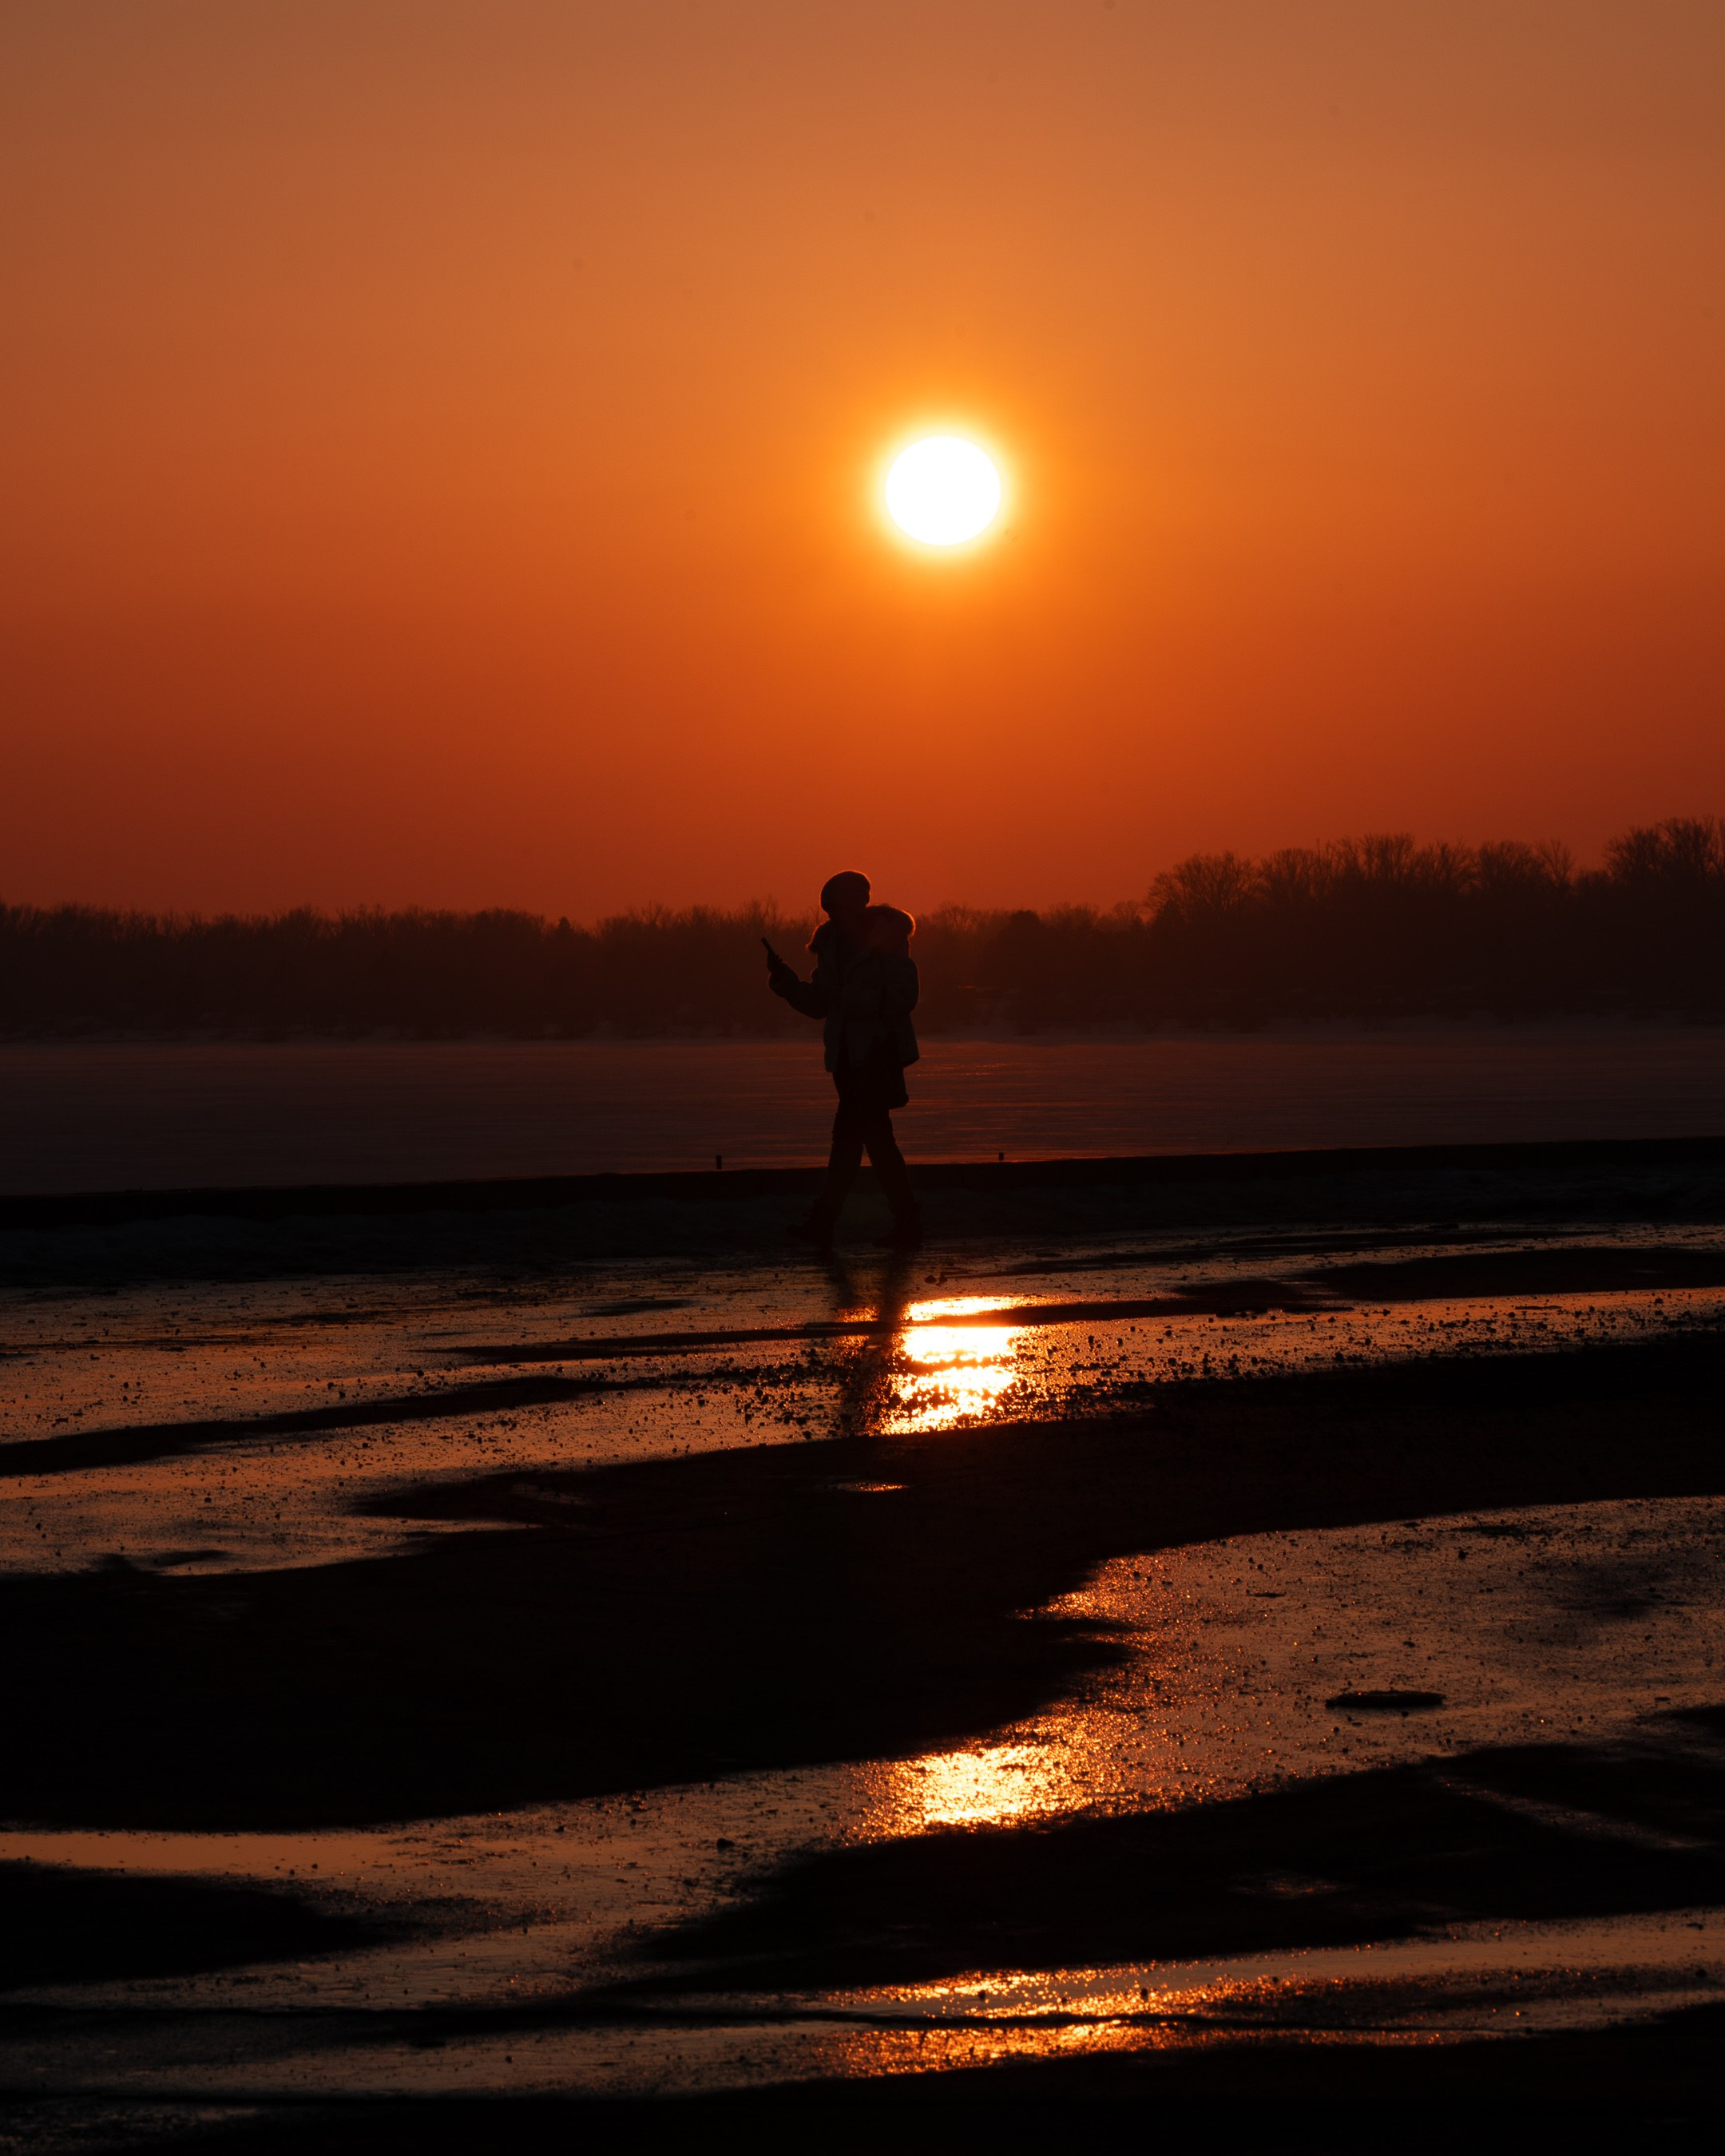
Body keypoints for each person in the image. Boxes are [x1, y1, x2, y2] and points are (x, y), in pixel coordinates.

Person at [764, 871, 922, 1249]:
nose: (832, 916)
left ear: (856, 904)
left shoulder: (888, 944)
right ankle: (903, 1223)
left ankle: (827, 1222)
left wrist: (853, 1003)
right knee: (870, 1142)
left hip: (876, 1056)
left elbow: (905, 997)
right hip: (847, 1059)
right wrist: (786, 984)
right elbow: (821, 1003)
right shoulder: (831, 946)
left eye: (837, 907)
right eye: (829, 910)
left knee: (852, 1141)